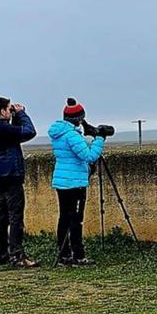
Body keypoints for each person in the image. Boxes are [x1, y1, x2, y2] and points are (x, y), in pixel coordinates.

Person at [0, 96, 39, 268]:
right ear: (3, 111)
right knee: (15, 217)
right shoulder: (3, 129)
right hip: (11, 174)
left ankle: (1, 253)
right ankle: (17, 256)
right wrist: (21, 114)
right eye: (8, 108)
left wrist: (13, 117)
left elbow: (11, 131)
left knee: (2, 216)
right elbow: (29, 132)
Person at [48, 98, 105, 266]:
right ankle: (78, 255)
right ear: (78, 119)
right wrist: (99, 139)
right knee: (76, 219)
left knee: (64, 218)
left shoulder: (59, 133)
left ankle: (64, 255)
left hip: (61, 181)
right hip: (75, 183)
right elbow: (89, 156)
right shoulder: (72, 135)